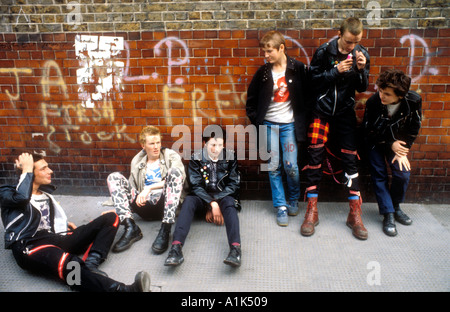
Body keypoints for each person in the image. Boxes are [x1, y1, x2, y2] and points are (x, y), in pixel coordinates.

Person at [0, 152, 150, 292]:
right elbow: (21, 199)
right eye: (44, 168)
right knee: (69, 262)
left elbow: (43, 220)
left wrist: (63, 225)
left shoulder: (45, 196)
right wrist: (26, 169)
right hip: (29, 244)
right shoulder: (7, 192)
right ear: (31, 173)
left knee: (111, 217)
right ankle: (122, 289)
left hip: (53, 238)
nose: (50, 171)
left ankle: (91, 264)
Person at [301, 17, 370, 240]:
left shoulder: (362, 53)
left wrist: (361, 69)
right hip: (321, 110)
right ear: (340, 34)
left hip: (345, 113)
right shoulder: (324, 52)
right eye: (349, 41)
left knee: (351, 159)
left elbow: (362, 87)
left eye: (356, 42)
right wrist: (336, 71)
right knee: (314, 157)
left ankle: (355, 214)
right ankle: (312, 211)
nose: (352, 46)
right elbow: (312, 82)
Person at [246, 30, 310, 226]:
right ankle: (280, 205)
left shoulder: (298, 68)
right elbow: (251, 100)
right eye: (264, 52)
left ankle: (293, 198)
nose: (265, 56)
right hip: (269, 125)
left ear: (281, 48)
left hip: (289, 126)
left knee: (291, 167)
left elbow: (309, 96)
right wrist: (257, 119)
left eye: (269, 51)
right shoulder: (263, 73)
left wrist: (303, 121)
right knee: (273, 167)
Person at [164, 126, 242, 267]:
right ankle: (175, 249)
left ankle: (235, 250)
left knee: (230, 204)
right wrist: (211, 205)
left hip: (223, 196)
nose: (217, 149)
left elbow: (233, 185)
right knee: (188, 201)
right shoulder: (196, 158)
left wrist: (217, 202)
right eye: (213, 145)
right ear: (204, 143)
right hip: (202, 197)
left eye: (220, 145)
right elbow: (196, 186)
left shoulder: (230, 157)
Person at [107, 126, 185, 254]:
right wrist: (118, 207)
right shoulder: (137, 161)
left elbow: (179, 179)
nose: (156, 147)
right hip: (143, 206)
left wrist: (148, 188)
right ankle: (131, 228)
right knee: (113, 177)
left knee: (175, 172)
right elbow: (130, 189)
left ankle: (165, 230)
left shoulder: (171, 156)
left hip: (164, 205)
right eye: (152, 143)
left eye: (158, 142)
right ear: (143, 145)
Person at [363, 69, 421, 236]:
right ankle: (388, 214)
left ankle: (395, 207)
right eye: (380, 90)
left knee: (403, 174)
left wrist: (403, 150)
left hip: (397, 145)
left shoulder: (413, 101)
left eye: (387, 94)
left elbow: (414, 127)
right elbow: (369, 130)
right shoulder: (374, 102)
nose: (382, 96)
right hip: (375, 142)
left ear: (400, 96)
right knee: (379, 173)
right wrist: (390, 143)